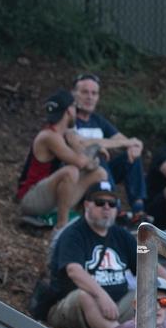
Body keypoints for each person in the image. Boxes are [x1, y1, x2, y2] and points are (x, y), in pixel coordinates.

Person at [42, 181, 137, 328]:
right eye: (100, 202)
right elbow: (74, 271)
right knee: (85, 296)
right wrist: (101, 296)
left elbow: (148, 264)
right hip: (71, 308)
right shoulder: (73, 234)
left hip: (115, 307)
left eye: (112, 203)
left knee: (148, 295)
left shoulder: (122, 235)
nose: (106, 207)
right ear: (87, 205)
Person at [16, 90, 107, 233]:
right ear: (69, 110)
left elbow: (87, 158)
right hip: (31, 199)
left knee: (100, 173)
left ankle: (90, 218)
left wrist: (90, 148)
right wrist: (93, 151)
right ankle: (62, 226)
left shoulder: (65, 134)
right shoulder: (49, 136)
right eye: (74, 107)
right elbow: (82, 162)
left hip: (50, 198)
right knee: (71, 172)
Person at [70, 73, 147, 221]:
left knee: (131, 159)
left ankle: (139, 211)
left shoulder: (98, 120)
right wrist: (120, 143)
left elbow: (125, 140)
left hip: (103, 175)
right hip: (80, 175)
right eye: (85, 92)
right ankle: (114, 207)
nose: (89, 97)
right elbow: (82, 143)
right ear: (74, 94)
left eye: (94, 93)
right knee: (99, 156)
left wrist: (135, 146)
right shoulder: (70, 119)